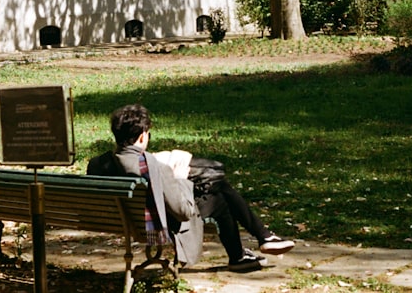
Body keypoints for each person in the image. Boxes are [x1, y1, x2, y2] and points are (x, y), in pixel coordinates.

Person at [87, 104, 295, 272]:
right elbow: (184, 212)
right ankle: (254, 243)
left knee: (219, 189)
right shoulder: (156, 168)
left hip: (126, 220)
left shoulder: (98, 163)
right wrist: (178, 178)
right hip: (158, 224)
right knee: (220, 197)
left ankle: (255, 243)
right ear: (142, 136)